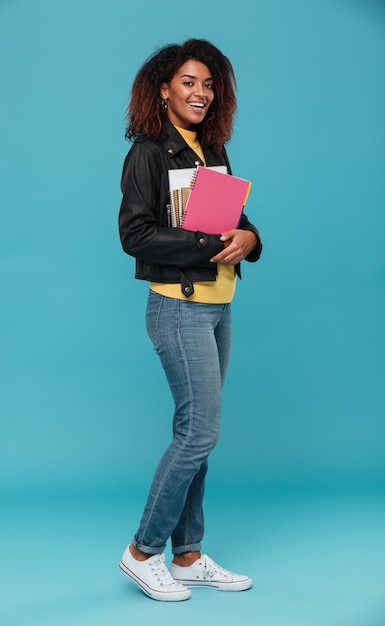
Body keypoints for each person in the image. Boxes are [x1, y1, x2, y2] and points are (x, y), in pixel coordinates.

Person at [118, 38, 262, 602]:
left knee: (195, 435)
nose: (200, 92)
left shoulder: (211, 149)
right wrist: (207, 245)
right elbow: (134, 234)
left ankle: (187, 556)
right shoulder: (149, 153)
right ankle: (142, 551)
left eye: (208, 84)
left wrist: (250, 239)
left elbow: (237, 220)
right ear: (163, 89)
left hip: (217, 305)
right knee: (199, 432)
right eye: (188, 82)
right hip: (177, 306)